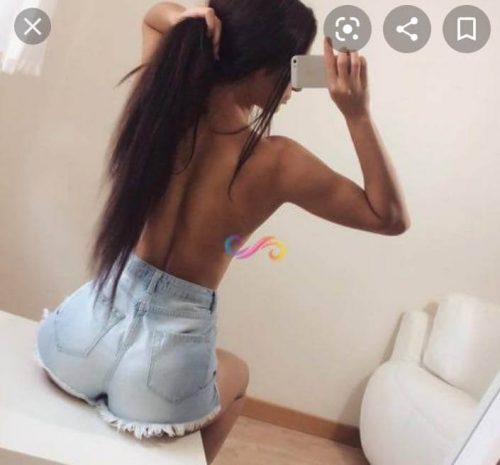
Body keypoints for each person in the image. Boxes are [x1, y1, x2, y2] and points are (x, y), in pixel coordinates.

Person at [35, 1, 411, 464]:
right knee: (238, 374)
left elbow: (154, 17)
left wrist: (191, 21)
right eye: (294, 66)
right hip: (158, 378)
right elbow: (389, 217)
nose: (296, 82)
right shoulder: (278, 161)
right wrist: (357, 114)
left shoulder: (162, 105)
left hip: (77, 341)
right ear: (262, 69)